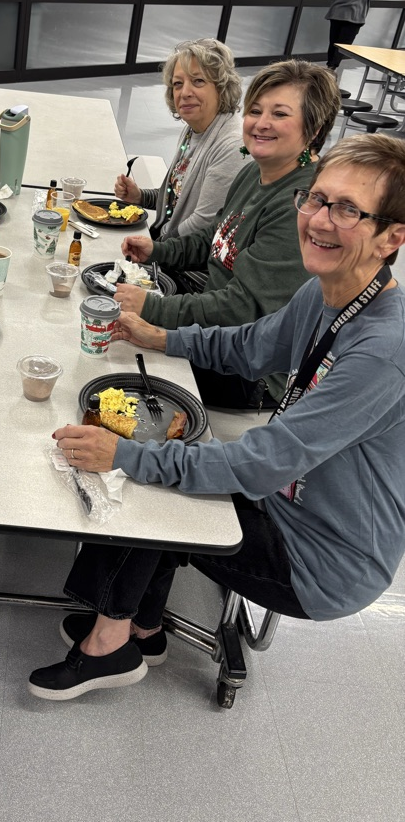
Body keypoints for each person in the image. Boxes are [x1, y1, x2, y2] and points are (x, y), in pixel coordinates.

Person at [29, 133, 405, 701]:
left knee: (148, 479)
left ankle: (109, 645)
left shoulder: (382, 351)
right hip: (283, 500)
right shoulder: (328, 291)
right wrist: (161, 336)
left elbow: (262, 462)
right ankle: (142, 627)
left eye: (348, 209)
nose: (320, 220)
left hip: (322, 557)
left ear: (392, 237)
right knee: (169, 466)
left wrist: (124, 454)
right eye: (317, 198)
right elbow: (249, 347)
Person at [114, 60, 340, 408]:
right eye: (255, 110)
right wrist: (159, 250)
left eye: (280, 114)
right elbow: (216, 237)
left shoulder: (300, 205)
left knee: (115, 353)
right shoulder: (254, 173)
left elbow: (242, 308)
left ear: (314, 128)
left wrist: (154, 309)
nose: (261, 123)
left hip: (251, 371)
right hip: (217, 328)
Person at [114, 38, 243, 242]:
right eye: (178, 84)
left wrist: (155, 247)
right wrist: (140, 196)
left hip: (187, 256)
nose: (185, 93)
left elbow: (203, 224)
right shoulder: (192, 130)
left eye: (198, 81)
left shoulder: (232, 146)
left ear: (221, 87)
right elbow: (177, 197)